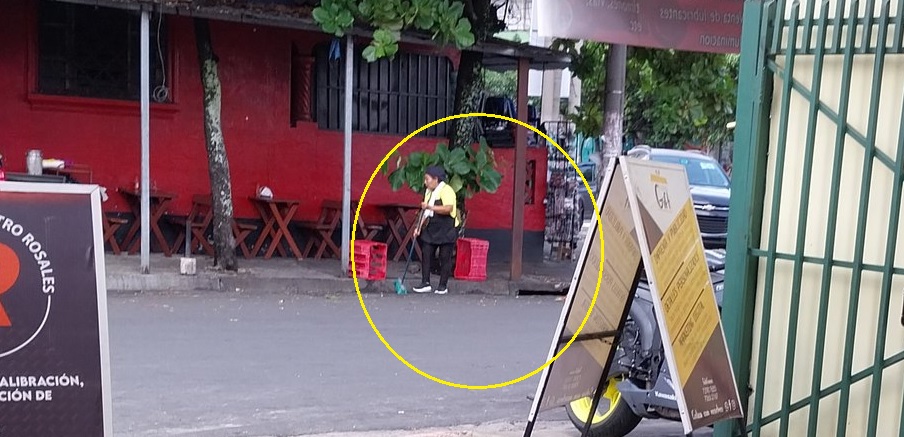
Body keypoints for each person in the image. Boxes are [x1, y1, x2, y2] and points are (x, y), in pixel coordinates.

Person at [412, 166, 460, 295]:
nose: (425, 182)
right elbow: (425, 212)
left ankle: (442, 286)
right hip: (432, 226)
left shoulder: (447, 190)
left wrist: (430, 207)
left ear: (436, 179)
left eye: (427, 179)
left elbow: (448, 208)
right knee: (426, 253)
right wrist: (418, 227)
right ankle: (425, 283)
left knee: (445, 257)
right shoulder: (428, 191)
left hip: (447, 227)